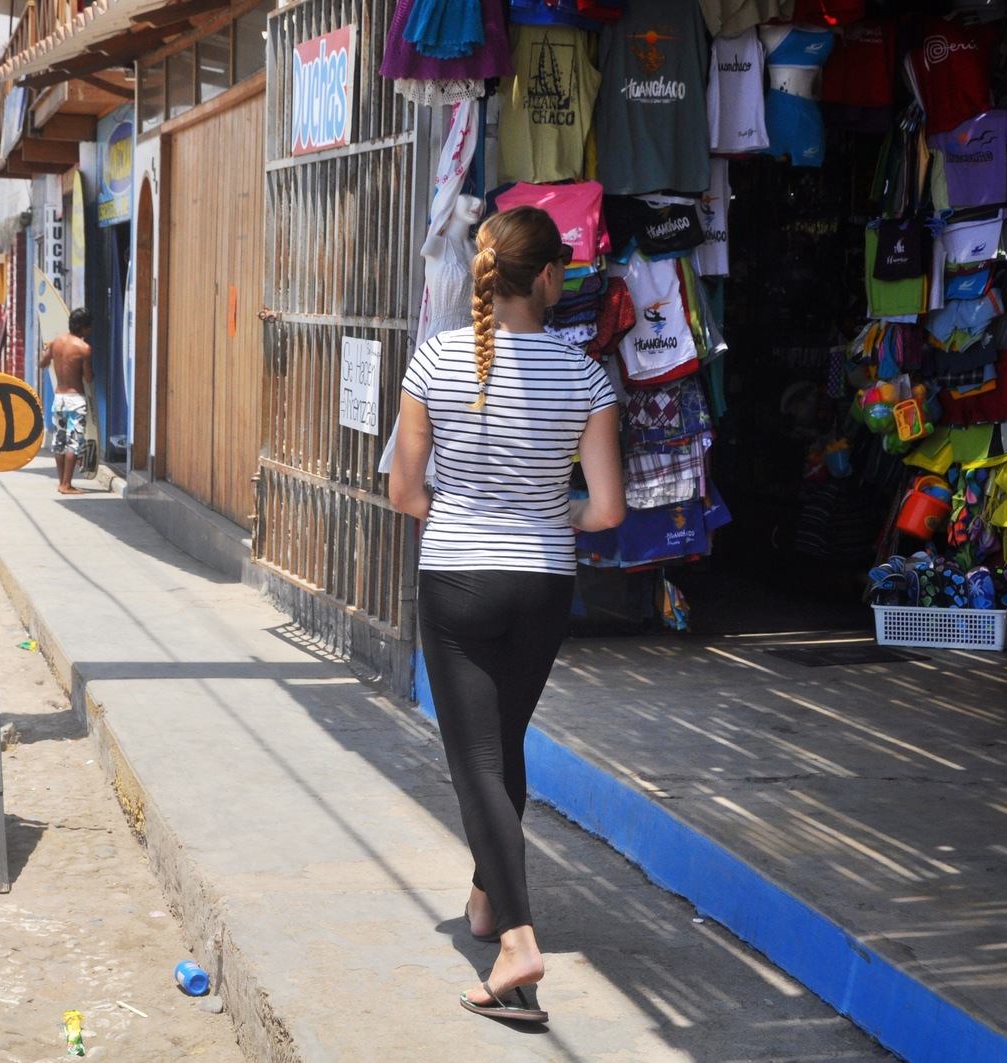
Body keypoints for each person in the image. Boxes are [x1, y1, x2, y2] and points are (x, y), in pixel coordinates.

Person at [388, 206, 625, 1026]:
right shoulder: (586, 377)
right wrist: (543, 516)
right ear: (551, 277)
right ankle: (491, 902)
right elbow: (606, 509)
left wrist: (465, 515)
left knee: (476, 760)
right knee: (504, 745)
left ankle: (517, 941)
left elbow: (405, 493)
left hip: (456, 575)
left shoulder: (436, 362)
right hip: (543, 585)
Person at [39, 308, 94, 495]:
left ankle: (61, 482)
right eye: (89, 328)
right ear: (84, 328)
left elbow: (42, 363)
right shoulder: (84, 348)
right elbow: (88, 378)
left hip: (59, 398)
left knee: (59, 441)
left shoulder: (56, 343)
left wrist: (47, 352)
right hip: (75, 400)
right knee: (74, 442)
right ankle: (66, 484)